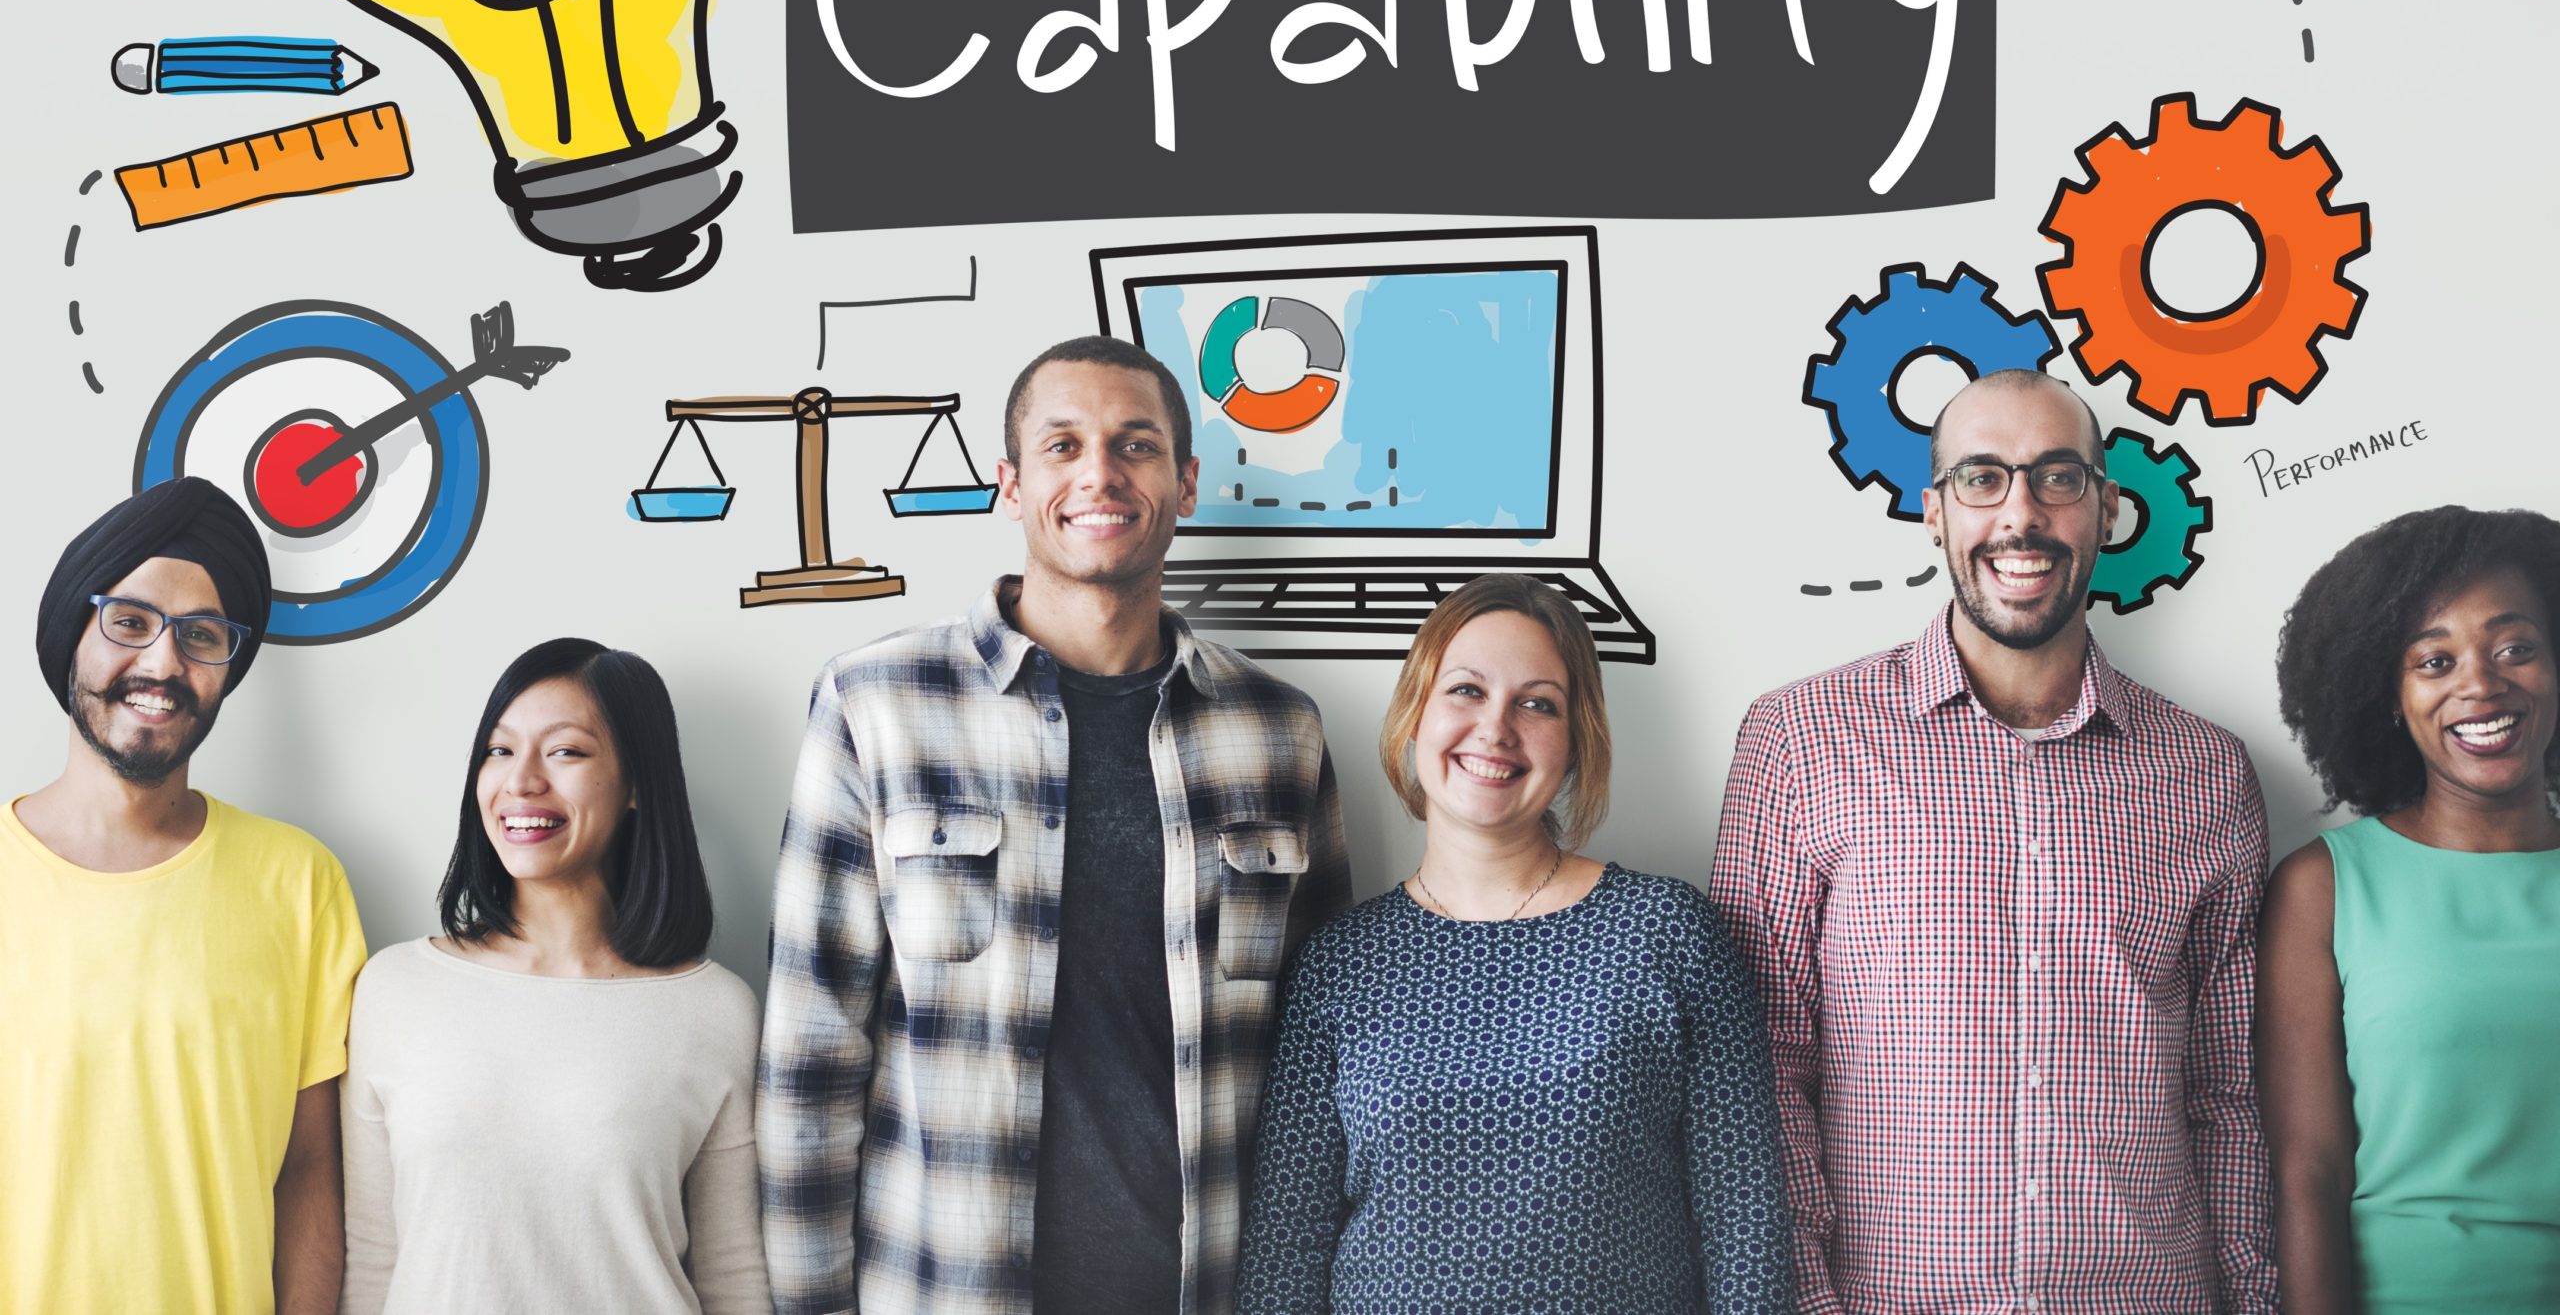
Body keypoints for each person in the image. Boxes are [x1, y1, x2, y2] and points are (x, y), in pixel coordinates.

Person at [759, 333, 1353, 1315]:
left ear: (1187, 480)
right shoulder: (877, 702)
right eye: (1063, 444)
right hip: (944, 1286)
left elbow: (1321, 1055)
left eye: (1136, 443)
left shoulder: (1277, 730)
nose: (1100, 474)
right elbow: (811, 1046)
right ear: (1009, 481)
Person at [1710, 367, 2278, 1315]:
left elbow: (2227, 1096)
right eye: (1983, 478)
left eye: (2059, 477)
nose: (2022, 514)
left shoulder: (2207, 773)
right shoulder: (1801, 740)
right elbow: (1765, 1070)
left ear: (2105, 510)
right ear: (1934, 513)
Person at [1237, 573, 1792, 1314]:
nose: (1497, 728)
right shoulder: (1340, 963)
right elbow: (1285, 1251)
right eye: (1466, 690)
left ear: (1574, 745)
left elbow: (1745, 1226)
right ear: (1414, 717)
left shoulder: (1668, 933)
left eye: (1538, 704)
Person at [1, 478, 366, 1315]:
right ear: (71, 637)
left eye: (202, 636)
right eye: (130, 622)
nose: (163, 664)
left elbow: (309, 1172)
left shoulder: (300, 882)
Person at [339, 637, 770, 1315]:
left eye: (565, 751)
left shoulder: (715, 1009)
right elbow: (371, 1257)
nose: (521, 781)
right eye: (499, 751)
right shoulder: (394, 988)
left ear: (635, 785)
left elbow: (734, 1277)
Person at [2259, 506, 2560, 1315]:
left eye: (2516, 648)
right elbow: (2308, 1169)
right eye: (2434, 660)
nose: (2482, 683)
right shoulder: (2325, 886)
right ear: (2387, 695)